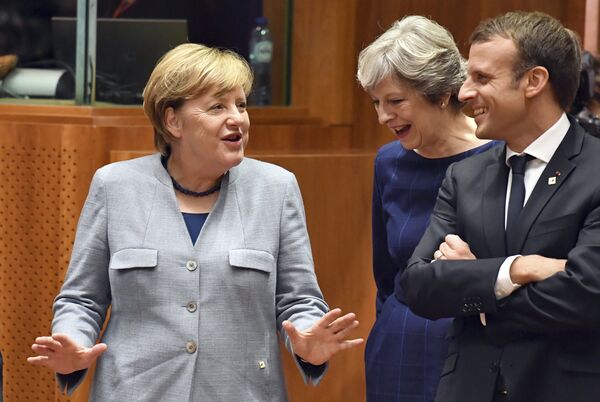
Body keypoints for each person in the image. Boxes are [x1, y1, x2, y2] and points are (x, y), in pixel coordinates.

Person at [27, 43, 363, 401]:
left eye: (242, 104)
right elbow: (83, 299)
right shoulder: (115, 186)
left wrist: (309, 340)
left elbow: (298, 299)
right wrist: (73, 345)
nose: (238, 118)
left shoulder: (276, 189)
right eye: (218, 106)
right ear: (173, 121)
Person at [400, 11, 600, 402]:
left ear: (534, 81)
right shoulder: (464, 176)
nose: (463, 93)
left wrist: (479, 293)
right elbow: (418, 286)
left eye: (482, 78)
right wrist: (516, 270)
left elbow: (587, 293)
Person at [356, 16, 497, 402]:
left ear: (439, 93)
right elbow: (386, 276)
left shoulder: (501, 158)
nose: (383, 117)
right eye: (376, 103)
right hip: (397, 352)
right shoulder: (388, 162)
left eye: (396, 101)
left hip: (478, 351)